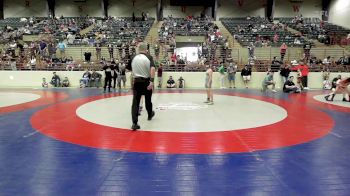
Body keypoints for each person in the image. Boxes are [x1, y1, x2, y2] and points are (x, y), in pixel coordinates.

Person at [126, 42, 155, 131]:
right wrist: (151, 82)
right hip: (146, 82)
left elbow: (128, 68)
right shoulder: (149, 57)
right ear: (146, 50)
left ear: (138, 49)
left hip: (137, 82)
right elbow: (153, 69)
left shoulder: (133, 57)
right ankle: (150, 115)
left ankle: (134, 123)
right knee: (148, 100)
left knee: (136, 102)